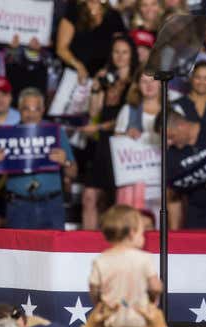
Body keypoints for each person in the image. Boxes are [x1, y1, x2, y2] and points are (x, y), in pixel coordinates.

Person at [0, 88, 77, 230]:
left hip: (51, 204)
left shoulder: (56, 133)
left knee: (53, 252)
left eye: (35, 109)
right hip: (19, 206)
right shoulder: (7, 136)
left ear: (43, 110)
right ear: (19, 110)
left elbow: (73, 173)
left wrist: (65, 162)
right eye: (26, 109)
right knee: (18, 252)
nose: (31, 114)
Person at [80, 35, 139, 230]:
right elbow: (94, 113)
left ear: (131, 55)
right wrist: (97, 87)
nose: (120, 56)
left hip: (123, 146)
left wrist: (97, 127)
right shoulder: (106, 79)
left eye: (124, 52)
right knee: (89, 197)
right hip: (101, 146)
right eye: (116, 52)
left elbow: (127, 120)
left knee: (117, 201)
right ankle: (86, 248)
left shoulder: (136, 83)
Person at [89, 204, 163, 327]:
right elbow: (155, 287)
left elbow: (94, 288)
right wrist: (153, 299)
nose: (144, 237)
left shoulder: (101, 260)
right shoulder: (144, 259)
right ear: (132, 233)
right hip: (140, 318)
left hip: (112, 318)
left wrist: (99, 305)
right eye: (143, 233)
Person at [114, 73, 161, 218]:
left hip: (163, 181)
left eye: (153, 80)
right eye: (143, 81)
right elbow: (117, 143)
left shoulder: (174, 109)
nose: (149, 85)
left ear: (161, 83)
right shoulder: (128, 110)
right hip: (135, 181)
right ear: (137, 85)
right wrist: (126, 135)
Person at [56, 0, 126, 83]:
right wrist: (78, 66)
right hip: (72, 76)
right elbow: (61, 49)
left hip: (102, 79)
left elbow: (120, 47)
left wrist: (107, 69)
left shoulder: (114, 16)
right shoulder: (73, 11)